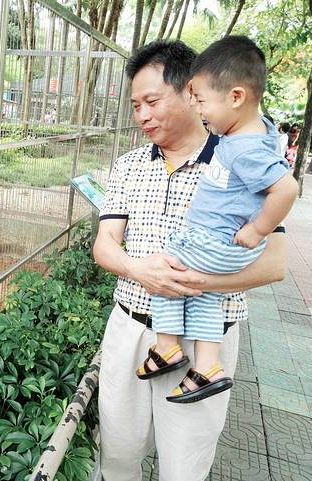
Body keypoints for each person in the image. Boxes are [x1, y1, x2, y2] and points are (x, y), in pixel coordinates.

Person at [92, 40, 287, 481]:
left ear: (190, 92)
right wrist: (138, 270)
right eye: (135, 105)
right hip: (131, 329)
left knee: (184, 469)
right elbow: (105, 245)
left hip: (205, 342)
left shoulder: (240, 158)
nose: (142, 115)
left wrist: (193, 282)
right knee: (118, 456)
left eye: (152, 101)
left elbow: (275, 264)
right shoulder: (128, 165)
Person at [136, 36, 298, 404]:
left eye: (202, 100)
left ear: (236, 97)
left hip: (214, 240)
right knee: (204, 295)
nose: (198, 108)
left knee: (167, 271)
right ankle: (208, 366)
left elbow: (287, 189)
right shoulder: (255, 132)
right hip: (221, 245)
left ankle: (167, 347)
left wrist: (257, 230)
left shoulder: (245, 148)